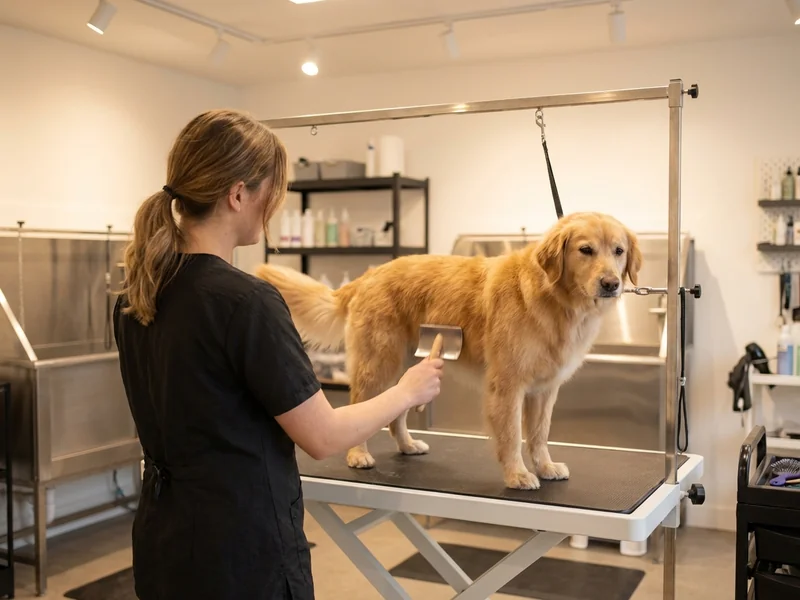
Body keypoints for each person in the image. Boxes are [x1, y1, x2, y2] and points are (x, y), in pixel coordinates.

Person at [113, 108, 444, 600]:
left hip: (164, 543)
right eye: (273, 191)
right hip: (239, 555)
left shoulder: (135, 295)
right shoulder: (246, 302)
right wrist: (406, 391)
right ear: (238, 194)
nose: (275, 206)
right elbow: (324, 437)